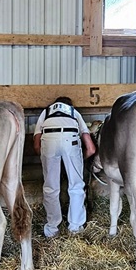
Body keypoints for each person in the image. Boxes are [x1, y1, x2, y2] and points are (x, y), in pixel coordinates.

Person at [34, 97, 97, 237]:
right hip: (71, 140)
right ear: (69, 105)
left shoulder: (46, 112)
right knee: (76, 186)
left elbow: (37, 145)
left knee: (50, 188)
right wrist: (79, 161)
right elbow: (91, 149)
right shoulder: (74, 112)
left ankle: (52, 229)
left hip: (48, 141)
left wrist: (47, 159)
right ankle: (75, 228)